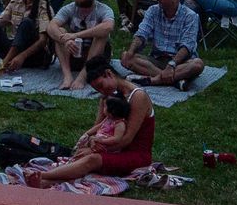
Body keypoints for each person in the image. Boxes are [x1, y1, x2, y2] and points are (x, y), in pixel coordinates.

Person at [25, 58, 155, 188]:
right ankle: (46, 182)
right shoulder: (107, 96)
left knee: (92, 159)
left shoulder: (138, 97)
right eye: (98, 89)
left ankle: (42, 175)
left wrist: (93, 150)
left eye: (101, 86)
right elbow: (98, 127)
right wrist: (90, 141)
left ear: (108, 74)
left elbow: (126, 139)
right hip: (110, 148)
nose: (102, 92)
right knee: (82, 156)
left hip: (134, 155)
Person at [120, 0, 205, 91]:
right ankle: (174, 81)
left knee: (198, 64)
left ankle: (153, 80)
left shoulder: (190, 16)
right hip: (157, 59)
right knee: (126, 56)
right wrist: (131, 52)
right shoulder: (153, 10)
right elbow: (142, 34)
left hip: (180, 61)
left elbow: (187, 46)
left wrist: (172, 64)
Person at [45, 0, 114, 90]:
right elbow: (51, 26)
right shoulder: (70, 8)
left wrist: (75, 35)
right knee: (60, 32)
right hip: (73, 53)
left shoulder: (103, 9)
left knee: (101, 34)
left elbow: (108, 27)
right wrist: (66, 40)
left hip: (95, 59)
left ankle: (82, 76)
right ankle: (67, 76)